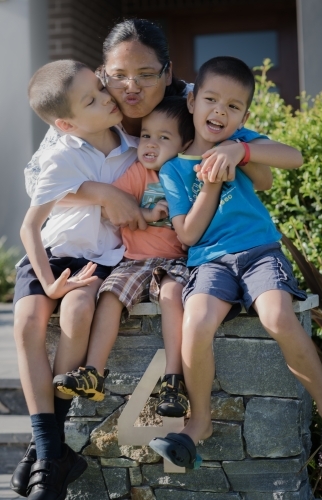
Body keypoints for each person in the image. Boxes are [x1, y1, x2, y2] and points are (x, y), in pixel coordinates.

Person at [148, 56, 322, 469]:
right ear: (192, 101)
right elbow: (189, 235)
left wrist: (240, 148)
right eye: (211, 99)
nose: (220, 111)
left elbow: (292, 158)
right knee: (196, 322)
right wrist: (211, 183)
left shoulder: (242, 140)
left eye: (233, 107)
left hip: (259, 251)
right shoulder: (173, 169)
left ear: (244, 116)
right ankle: (200, 422)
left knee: (278, 316)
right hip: (210, 261)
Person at [52, 95, 274, 417]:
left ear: (184, 143)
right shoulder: (136, 173)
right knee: (110, 296)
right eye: (145, 136)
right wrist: (145, 212)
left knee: (172, 296)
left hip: (174, 260)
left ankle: (173, 379)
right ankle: (94, 372)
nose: (151, 144)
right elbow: (113, 211)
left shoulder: (187, 175)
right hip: (133, 259)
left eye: (163, 137)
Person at [11, 59, 140, 499]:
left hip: (99, 258)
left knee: (79, 310)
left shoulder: (133, 147)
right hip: (49, 254)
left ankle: (45, 452)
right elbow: (30, 226)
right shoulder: (63, 152)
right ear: (66, 123)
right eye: (93, 100)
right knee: (26, 324)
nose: (107, 98)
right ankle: (51, 453)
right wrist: (47, 283)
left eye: (102, 89)